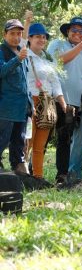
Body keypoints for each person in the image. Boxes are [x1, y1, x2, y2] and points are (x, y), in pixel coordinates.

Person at [48, 15, 82, 184]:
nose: (78, 33)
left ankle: (62, 175)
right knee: (44, 136)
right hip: (50, 99)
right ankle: (34, 172)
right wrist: (81, 45)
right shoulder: (57, 44)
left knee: (65, 138)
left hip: (72, 105)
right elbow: (59, 61)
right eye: (74, 30)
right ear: (68, 32)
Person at [25, 23, 67, 180]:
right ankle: (22, 175)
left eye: (44, 37)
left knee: (40, 144)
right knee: (27, 141)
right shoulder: (24, 56)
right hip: (30, 102)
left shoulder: (48, 59)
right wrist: (27, 22)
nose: (41, 40)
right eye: (37, 36)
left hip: (48, 104)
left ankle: (38, 177)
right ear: (29, 38)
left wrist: (63, 104)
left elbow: (55, 83)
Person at [0, 18, 31, 176]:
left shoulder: (22, 50)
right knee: (2, 140)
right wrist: (17, 59)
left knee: (19, 143)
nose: (16, 37)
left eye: (19, 33)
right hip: (5, 107)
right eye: (12, 33)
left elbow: (25, 81)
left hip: (21, 108)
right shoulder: (1, 51)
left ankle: (19, 175)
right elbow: (1, 71)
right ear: (4, 34)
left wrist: (30, 103)